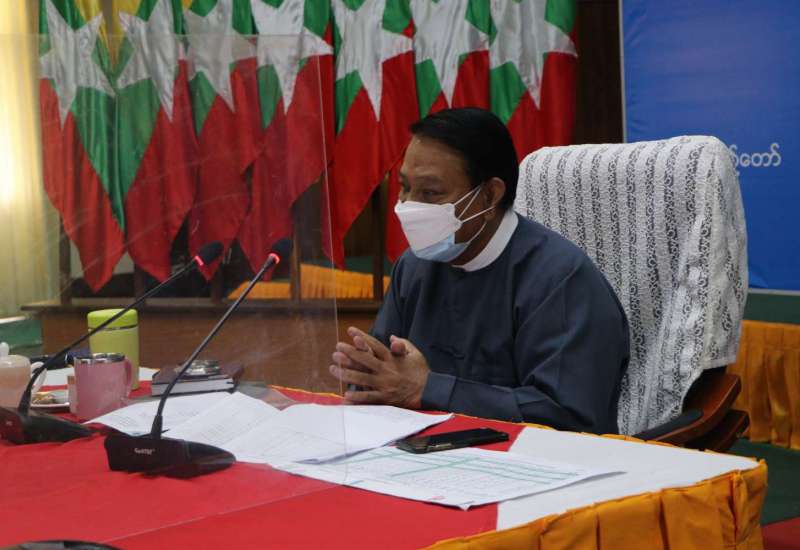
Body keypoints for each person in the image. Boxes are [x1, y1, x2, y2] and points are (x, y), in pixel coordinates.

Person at [328, 107, 629, 434]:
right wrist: (366, 378)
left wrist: (428, 389)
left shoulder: (561, 279)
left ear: (488, 197)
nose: (409, 205)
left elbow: (568, 415)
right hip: (425, 452)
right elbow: (387, 377)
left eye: (430, 193)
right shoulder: (414, 266)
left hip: (535, 460)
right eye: (404, 187)